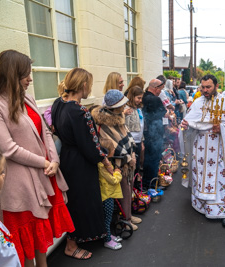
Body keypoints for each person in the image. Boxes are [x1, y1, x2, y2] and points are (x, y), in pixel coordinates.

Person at [0, 50, 74, 266]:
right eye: (26, 74)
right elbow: (9, 149)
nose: (30, 79)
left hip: (45, 173)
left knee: (41, 237)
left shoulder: (27, 98)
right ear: (11, 74)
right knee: (28, 240)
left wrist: (55, 161)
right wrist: (45, 162)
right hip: (21, 182)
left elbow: (46, 133)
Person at [51, 68, 110, 260]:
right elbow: (91, 144)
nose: (90, 89)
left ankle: (73, 240)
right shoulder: (80, 111)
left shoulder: (58, 103)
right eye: (90, 85)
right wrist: (104, 159)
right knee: (81, 202)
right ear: (84, 86)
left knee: (73, 201)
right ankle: (71, 244)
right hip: (80, 163)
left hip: (67, 158)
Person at [180, 74, 225, 227]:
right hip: (200, 146)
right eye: (203, 87)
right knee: (200, 175)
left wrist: (221, 128)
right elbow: (190, 121)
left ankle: (223, 212)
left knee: (220, 177)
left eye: (208, 87)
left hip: (220, 147)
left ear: (216, 86)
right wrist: (185, 125)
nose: (205, 90)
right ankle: (201, 206)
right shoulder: (197, 102)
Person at [91, 90, 139, 230]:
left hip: (128, 160)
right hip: (118, 164)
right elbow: (112, 144)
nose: (124, 107)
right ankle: (124, 221)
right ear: (115, 106)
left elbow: (127, 134)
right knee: (123, 191)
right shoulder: (103, 122)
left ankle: (129, 215)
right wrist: (128, 158)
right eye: (122, 105)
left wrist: (133, 153)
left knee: (129, 188)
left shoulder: (117, 116)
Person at [97, 139, 123, 250]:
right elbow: (112, 180)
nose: (114, 151)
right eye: (112, 149)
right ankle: (107, 241)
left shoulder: (106, 163)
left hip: (109, 194)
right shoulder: (102, 166)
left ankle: (109, 236)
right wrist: (118, 173)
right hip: (106, 195)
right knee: (107, 219)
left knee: (108, 217)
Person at [142, 79, 167, 189]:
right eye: (160, 90)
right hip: (154, 135)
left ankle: (148, 184)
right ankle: (152, 185)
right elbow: (162, 112)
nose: (160, 92)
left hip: (147, 134)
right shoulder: (155, 99)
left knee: (148, 160)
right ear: (156, 88)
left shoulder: (143, 97)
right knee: (154, 159)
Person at [125, 86, 145, 176]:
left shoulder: (138, 109)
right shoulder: (126, 109)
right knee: (132, 167)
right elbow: (124, 127)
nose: (140, 100)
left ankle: (136, 187)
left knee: (137, 166)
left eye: (141, 98)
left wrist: (142, 141)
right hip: (130, 143)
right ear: (132, 97)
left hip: (138, 141)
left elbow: (141, 126)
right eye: (138, 98)